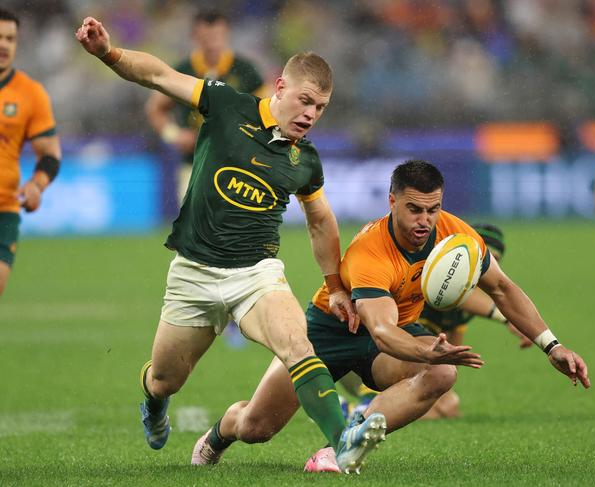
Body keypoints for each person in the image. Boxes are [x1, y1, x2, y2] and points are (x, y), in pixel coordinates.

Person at [76, 17, 381, 473]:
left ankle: (342, 440)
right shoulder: (226, 104)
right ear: (280, 86)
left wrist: (335, 284)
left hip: (255, 276)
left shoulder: (305, 161)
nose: (311, 115)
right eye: (305, 101)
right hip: (193, 272)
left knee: (298, 345)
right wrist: (108, 53)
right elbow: (158, 76)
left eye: (320, 108)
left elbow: (320, 220)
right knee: (164, 379)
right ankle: (154, 404)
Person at [192, 160, 590, 474]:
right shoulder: (372, 251)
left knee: (442, 374)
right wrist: (426, 351)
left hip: (388, 333)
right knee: (255, 428)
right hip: (329, 332)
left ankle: (341, 446)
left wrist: (551, 345)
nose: (425, 221)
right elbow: (380, 331)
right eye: (414, 209)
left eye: (433, 210)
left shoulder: (458, 237)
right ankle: (219, 434)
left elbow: (502, 288)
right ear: (392, 202)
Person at [342, 223, 533, 420]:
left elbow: (453, 355)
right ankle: (360, 410)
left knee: (448, 405)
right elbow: (471, 300)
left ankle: (358, 412)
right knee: (423, 400)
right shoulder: (436, 279)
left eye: (494, 261)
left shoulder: (462, 296)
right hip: (363, 359)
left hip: (395, 365)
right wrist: (508, 318)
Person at [146, 8, 268, 205]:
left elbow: (268, 112)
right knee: (195, 227)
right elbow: (155, 108)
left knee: (234, 227)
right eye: (206, 37)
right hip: (194, 163)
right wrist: (174, 134)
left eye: (217, 36)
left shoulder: (246, 70)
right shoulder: (183, 70)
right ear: (194, 36)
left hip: (237, 164)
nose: (212, 43)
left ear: (227, 33)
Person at [0, 8, 61, 298]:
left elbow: (49, 153)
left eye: (10, 38)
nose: (4, 45)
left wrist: (37, 184)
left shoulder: (30, 93)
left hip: (4, 209)